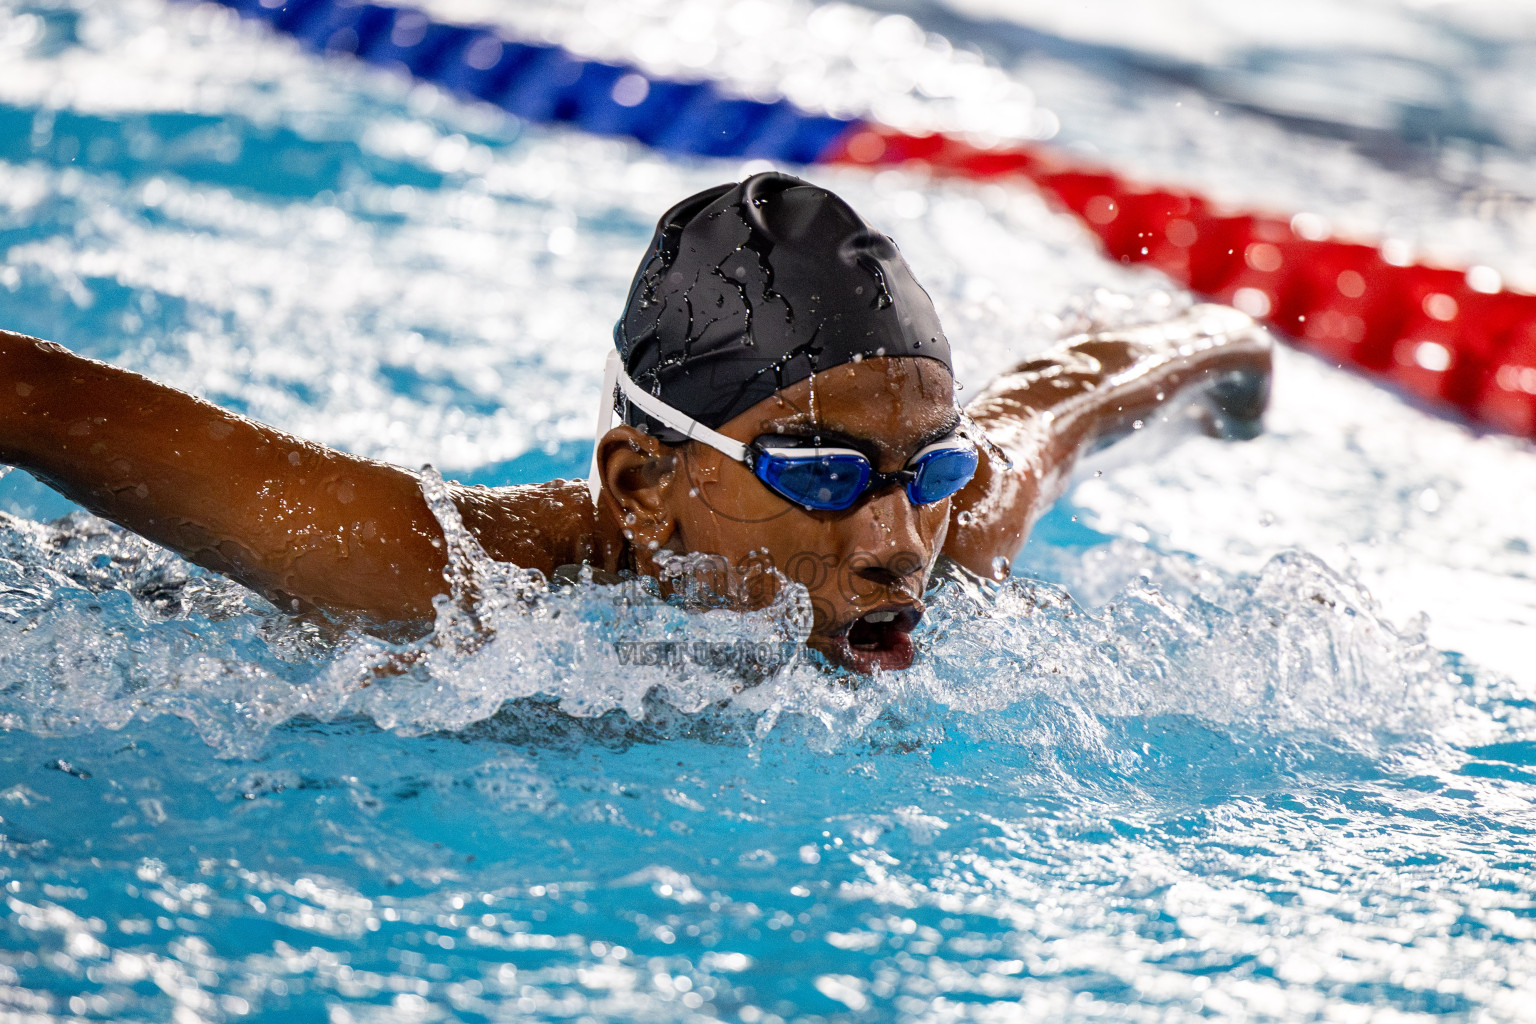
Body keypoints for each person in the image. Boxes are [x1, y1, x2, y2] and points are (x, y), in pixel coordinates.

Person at [0, 172, 1270, 672]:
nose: (901, 545)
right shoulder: (453, 582)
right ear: (641, 482)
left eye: (926, 467)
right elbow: (30, 393)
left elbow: (1094, 377)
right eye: (825, 472)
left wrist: (1239, 357)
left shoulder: (956, 515)